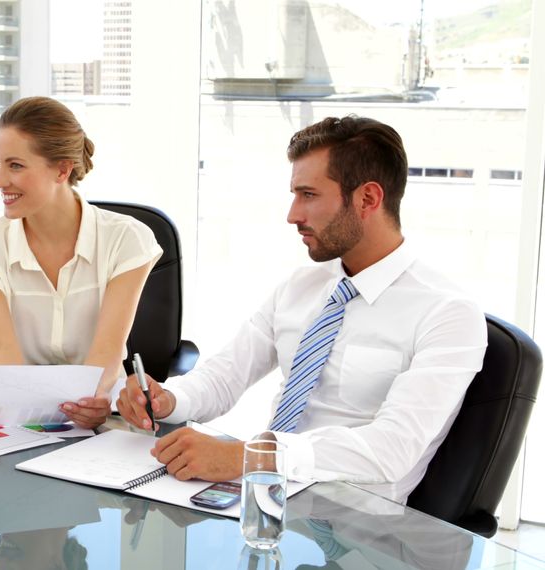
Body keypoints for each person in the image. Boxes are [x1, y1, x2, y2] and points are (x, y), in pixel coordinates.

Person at [116, 116, 487, 503]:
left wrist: (251, 457)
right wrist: (168, 399)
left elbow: (390, 451)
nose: (292, 215)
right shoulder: (301, 287)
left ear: (368, 199)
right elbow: (224, 376)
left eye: (308, 195)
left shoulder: (448, 313)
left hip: (356, 529)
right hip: (266, 501)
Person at [0, 96, 162, 429]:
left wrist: (92, 401)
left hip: (101, 419)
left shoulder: (127, 240)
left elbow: (107, 356)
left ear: (62, 170)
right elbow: (2, 355)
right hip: (18, 419)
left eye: (15, 165)